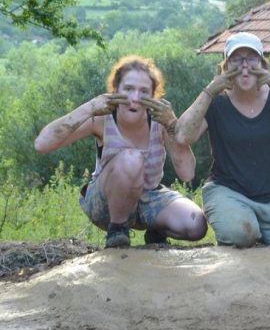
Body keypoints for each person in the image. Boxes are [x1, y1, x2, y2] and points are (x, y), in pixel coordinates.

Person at [34, 55, 208, 248]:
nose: (135, 98)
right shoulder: (103, 118)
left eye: (144, 92)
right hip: (105, 203)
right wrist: (89, 108)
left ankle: (156, 231)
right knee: (131, 159)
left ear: (153, 96)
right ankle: (117, 231)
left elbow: (187, 173)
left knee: (196, 224)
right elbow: (42, 144)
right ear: (115, 90)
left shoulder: (160, 121)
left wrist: (172, 125)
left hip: (148, 197)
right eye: (128, 89)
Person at [174, 32, 270, 248]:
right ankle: (242, 225)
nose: (244, 66)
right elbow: (182, 136)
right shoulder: (216, 100)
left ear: (262, 64)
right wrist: (210, 90)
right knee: (241, 233)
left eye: (251, 59)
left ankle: (263, 228)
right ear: (226, 66)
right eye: (236, 59)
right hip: (227, 190)